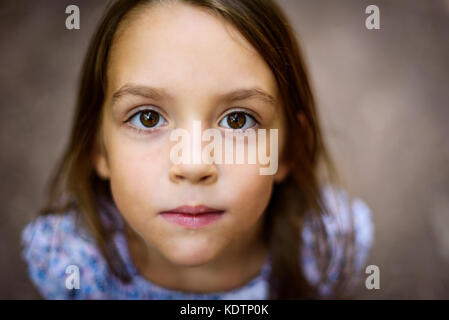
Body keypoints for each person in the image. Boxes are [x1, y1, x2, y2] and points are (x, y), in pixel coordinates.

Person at [21, 0, 374, 299]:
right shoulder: (70, 261)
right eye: (147, 117)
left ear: (288, 150)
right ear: (98, 148)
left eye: (238, 121)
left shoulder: (327, 245)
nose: (192, 164)